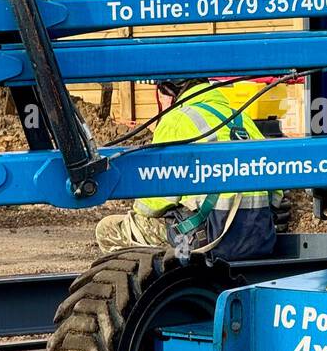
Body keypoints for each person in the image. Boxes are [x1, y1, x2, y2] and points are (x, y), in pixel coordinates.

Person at [95, 78, 279, 262]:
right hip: (258, 240)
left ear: (170, 92)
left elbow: (153, 203)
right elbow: (276, 193)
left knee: (109, 228)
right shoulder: (241, 117)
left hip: (208, 244)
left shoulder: (176, 120)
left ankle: (158, 285)